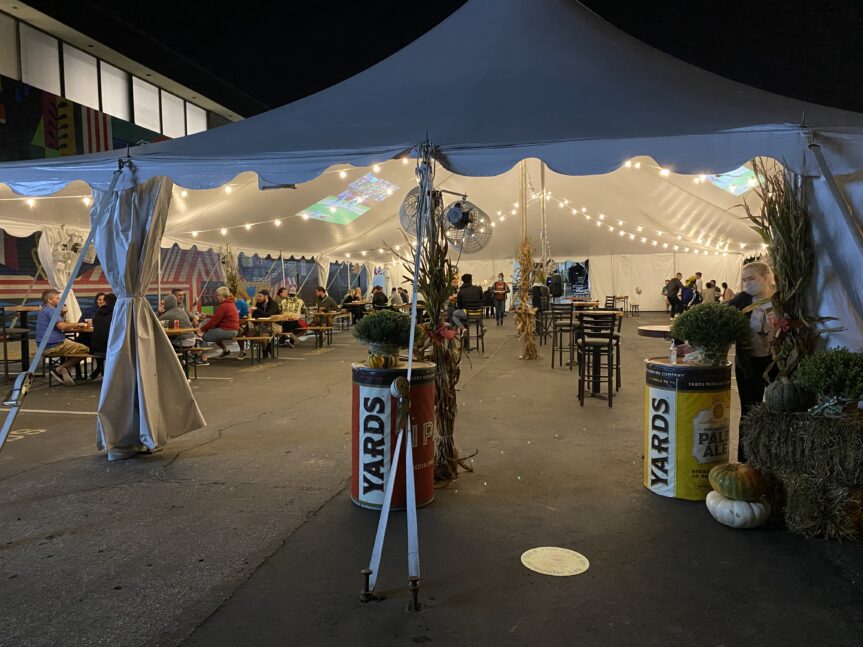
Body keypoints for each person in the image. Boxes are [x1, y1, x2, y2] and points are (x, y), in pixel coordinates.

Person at [729, 261, 778, 462]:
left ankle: (774, 455)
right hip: (748, 364)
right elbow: (721, 319)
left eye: (752, 278)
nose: (747, 283)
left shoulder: (781, 301)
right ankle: (746, 460)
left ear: (765, 278)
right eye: (744, 280)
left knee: (780, 407)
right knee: (749, 410)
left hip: (776, 362)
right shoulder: (741, 301)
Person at [35, 289, 89, 386]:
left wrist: (64, 315)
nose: (60, 300)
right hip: (55, 345)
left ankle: (66, 371)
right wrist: (78, 324)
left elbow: (58, 324)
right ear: (49, 300)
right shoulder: (51, 310)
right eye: (57, 298)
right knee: (85, 350)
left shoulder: (44, 309)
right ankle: (60, 369)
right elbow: (61, 326)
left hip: (43, 346)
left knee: (74, 347)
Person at [197, 286, 239, 362]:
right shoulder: (231, 304)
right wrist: (207, 316)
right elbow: (218, 317)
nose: (216, 297)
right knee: (214, 334)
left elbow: (214, 321)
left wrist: (201, 329)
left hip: (226, 330)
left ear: (222, 295)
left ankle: (203, 359)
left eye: (217, 295)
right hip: (234, 331)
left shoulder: (223, 306)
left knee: (202, 337)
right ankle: (225, 350)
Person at [88, 293, 117, 380]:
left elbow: (94, 324)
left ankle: (99, 368)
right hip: (110, 349)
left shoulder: (99, 311)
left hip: (95, 349)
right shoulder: (116, 312)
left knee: (100, 340)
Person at [452, 273, 486, 338]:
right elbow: (483, 299)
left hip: (467, 313)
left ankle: (463, 328)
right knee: (475, 312)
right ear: (471, 280)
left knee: (454, 314)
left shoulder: (461, 291)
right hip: (478, 313)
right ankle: (482, 326)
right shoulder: (478, 289)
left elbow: (459, 305)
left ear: (463, 281)